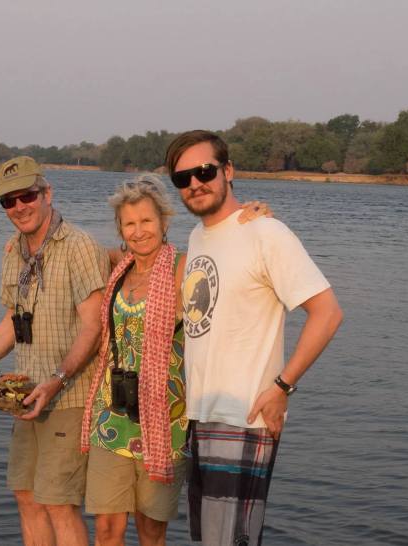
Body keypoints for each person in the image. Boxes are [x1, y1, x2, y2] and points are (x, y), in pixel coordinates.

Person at [165, 130, 344, 546]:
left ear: (228, 171)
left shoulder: (266, 233)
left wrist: (282, 387)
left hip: (243, 417)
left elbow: (328, 312)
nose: (194, 183)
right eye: (182, 178)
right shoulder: (197, 239)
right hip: (201, 415)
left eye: (204, 171)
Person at [79, 175, 269, 546]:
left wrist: (254, 218)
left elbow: (229, 254)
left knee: (151, 531)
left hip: (165, 423)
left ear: (164, 221)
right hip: (111, 417)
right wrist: (21, 243)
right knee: (106, 530)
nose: (138, 232)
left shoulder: (186, 268)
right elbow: (75, 251)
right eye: (129, 223)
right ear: (120, 228)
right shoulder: (118, 266)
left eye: (146, 221)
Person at [0, 156, 109, 546]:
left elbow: (95, 325)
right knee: (27, 497)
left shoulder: (78, 245)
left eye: (27, 196)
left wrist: (56, 381)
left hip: (71, 396)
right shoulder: (14, 250)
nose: (19, 208)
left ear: (47, 193)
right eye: (8, 202)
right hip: (25, 396)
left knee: (59, 503)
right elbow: (13, 322)